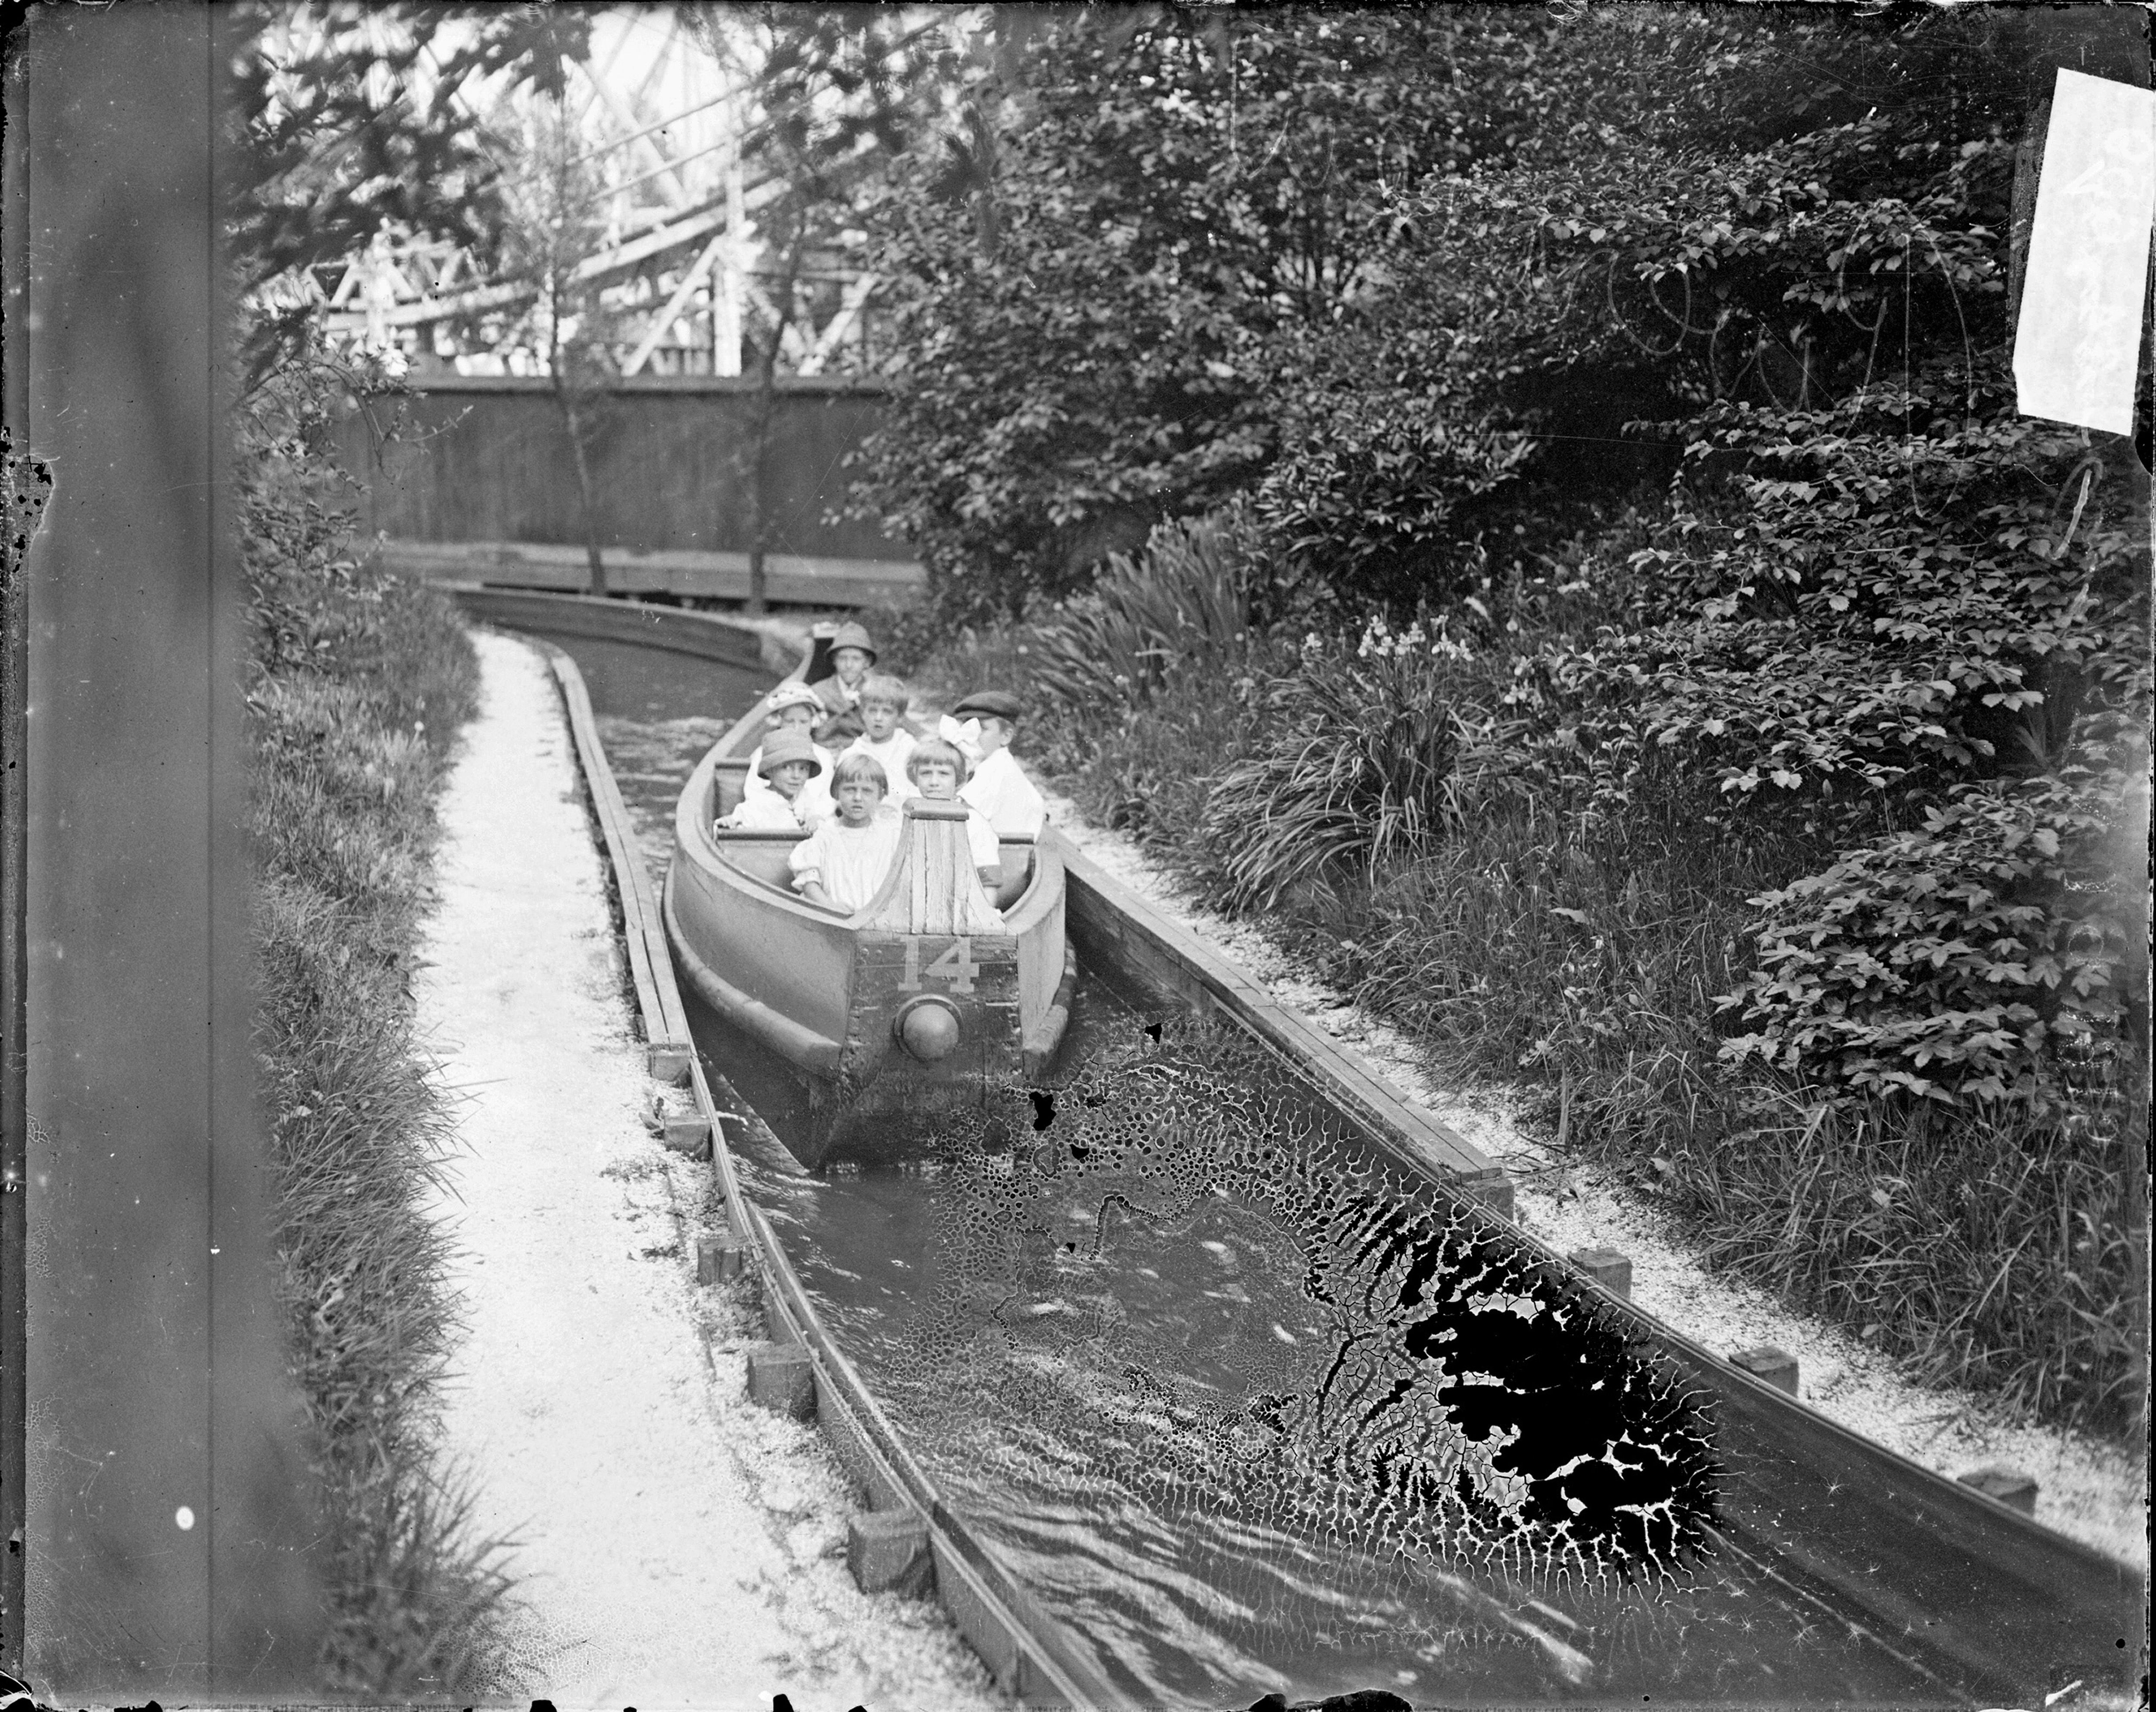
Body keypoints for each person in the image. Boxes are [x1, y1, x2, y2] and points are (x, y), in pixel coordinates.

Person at [788, 753, 905, 913]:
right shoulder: (825, 835)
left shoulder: (890, 836)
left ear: (880, 795)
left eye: (867, 791)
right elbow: (809, 881)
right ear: (836, 792)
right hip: (834, 917)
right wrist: (830, 907)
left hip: (879, 918)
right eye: (850, 790)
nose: (858, 798)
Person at [906, 737, 1002, 897]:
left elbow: (988, 884)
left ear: (958, 778)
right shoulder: (914, 815)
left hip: (964, 903)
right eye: (926, 773)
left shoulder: (972, 822)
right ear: (915, 776)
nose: (934, 782)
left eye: (944, 774)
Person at [946, 689, 1047, 838]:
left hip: (1006, 848)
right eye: (967, 727)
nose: (971, 735)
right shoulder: (992, 763)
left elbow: (957, 817)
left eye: (982, 729)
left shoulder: (996, 769)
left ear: (1006, 736)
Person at [742, 683, 835, 813]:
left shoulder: (824, 757)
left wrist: (812, 818)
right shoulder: (762, 753)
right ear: (780, 721)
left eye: (803, 722)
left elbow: (828, 800)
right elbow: (752, 794)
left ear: (812, 722)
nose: (796, 728)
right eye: (790, 721)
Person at [719, 729, 830, 832]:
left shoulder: (806, 799)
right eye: (786, 767)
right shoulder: (754, 807)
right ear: (769, 770)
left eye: (803, 769)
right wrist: (729, 823)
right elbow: (732, 831)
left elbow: (816, 816)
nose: (796, 776)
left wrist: (816, 820)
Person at [842, 673, 918, 804]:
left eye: (887, 712)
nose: (878, 718)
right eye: (873, 711)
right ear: (863, 714)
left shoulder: (911, 750)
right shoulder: (852, 754)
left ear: (900, 717)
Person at [808, 621, 877, 746]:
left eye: (856, 659)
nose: (849, 665)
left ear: (867, 662)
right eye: (842, 658)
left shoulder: (875, 691)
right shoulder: (817, 692)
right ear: (834, 660)